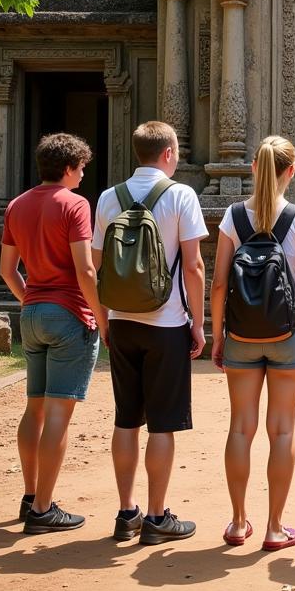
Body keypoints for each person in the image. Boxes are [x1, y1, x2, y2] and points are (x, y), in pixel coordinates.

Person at [210, 135, 295, 550]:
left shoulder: (232, 217)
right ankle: (274, 527)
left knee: (241, 427)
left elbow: (220, 282)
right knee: (281, 430)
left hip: (240, 334)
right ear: (290, 172)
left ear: (252, 169)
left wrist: (217, 334)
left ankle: (238, 521)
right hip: (287, 332)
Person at [91, 121, 208, 545]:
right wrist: (198, 322)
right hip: (167, 323)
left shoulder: (108, 198)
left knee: (126, 420)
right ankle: (158, 518)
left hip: (121, 322)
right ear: (169, 154)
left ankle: (126, 513)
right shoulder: (181, 195)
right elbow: (193, 266)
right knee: (162, 425)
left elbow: (96, 265)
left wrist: (104, 318)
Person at [0, 132, 105, 534]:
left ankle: (30, 496)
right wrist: (100, 316)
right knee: (59, 412)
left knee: (35, 408)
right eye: (80, 169)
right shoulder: (75, 204)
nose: (82, 176)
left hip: (31, 315)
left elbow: (8, 271)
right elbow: (85, 270)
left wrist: (31, 299)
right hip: (68, 315)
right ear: (67, 168)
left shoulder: (16, 205)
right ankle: (44, 509)